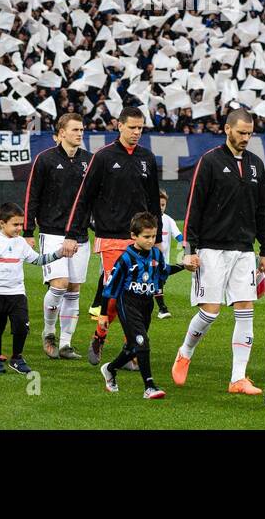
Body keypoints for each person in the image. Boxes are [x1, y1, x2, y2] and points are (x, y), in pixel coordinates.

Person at [171, 107, 265, 396]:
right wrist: (188, 250)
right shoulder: (209, 162)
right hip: (211, 249)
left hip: (244, 250)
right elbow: (193, 207)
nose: (245, 138)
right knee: (211, 312)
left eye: (250, 134)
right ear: (227, 129)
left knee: (245, 310)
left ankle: (238, 378)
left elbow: (264, 210)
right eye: (241, 132)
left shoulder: (255, 165)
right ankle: (185, 351)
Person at [62, 106, 161, 367]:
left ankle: (131, 349)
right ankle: (99, 336)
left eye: (140, 128)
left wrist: (157, 238)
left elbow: (152, 200)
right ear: (119, 126)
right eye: (132, 127)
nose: (137, 133)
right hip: (111, 239)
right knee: (115, 298)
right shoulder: (103, 157)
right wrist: (72, 234)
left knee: (141, 297)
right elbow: (84, 197)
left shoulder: (147, 158)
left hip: (140, 240)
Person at [100, 212, 194, 399]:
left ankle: (110, 369)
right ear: (134, 236)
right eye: (146, 237)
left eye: (153, 236)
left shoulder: (156, 254)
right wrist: (103, 315)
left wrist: (183, 266)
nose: (151, 241)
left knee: (133, 347)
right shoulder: (126, 259)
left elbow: (164, 270)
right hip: (128, 303)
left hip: (146, 305)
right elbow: (109, 288)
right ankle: (149, 386)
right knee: (143, 343)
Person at [22, 113, 92, 360]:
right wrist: (28, 231)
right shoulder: (45, 160)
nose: (80, 133)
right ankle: (49, 332)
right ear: (61, 132)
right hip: (52, 233)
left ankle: (66, 343)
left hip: (81, 235)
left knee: (74, 289)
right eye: (75, 130)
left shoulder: (89, 161)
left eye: (82, 129)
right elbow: (32, 195)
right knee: (59, 284)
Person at [0, 202, 68, 374]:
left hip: (17, 293)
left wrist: (59, 253)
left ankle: (17, 358)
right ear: (2, 223)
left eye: (21, 224)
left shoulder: (20, 243)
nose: (19, 228)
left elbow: (38, 260)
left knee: (21, 326)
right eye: (15, 224)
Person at [154, 189, 182, 318]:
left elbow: (179, 236)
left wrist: (188, 250)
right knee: (157, 281)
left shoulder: (169, 221)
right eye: (158, 204)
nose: (160, 207)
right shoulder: (146, 220)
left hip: (163, 261)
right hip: (149, 261)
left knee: (159, 280)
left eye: (163, 205)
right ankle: (162, 309)